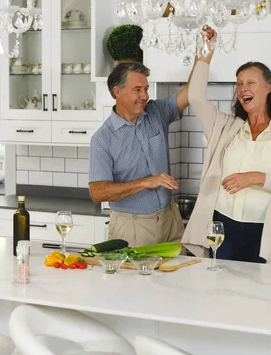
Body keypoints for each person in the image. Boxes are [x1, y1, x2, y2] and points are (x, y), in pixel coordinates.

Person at [181, 27, 271, 265]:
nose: (243, 88)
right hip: (223, 229)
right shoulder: (224, 127)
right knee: (220, 296)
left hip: (266, 233)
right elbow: (195, 97)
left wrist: (256, 178)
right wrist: (205, 54)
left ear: (268, 87)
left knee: (264, 298)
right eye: (239, 83)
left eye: (251, 82)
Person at [88, 55, 205, 247]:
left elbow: (190, 93)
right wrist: (146, 182)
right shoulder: (103, 139)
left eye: (146, 89)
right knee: (136, 278)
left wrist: (202, 59)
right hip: (132, 227)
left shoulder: (156, 112)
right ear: (117, 91)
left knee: (180, 276)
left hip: (170, 219)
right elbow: (97, 192)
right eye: (137, 90)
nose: (145, 95)